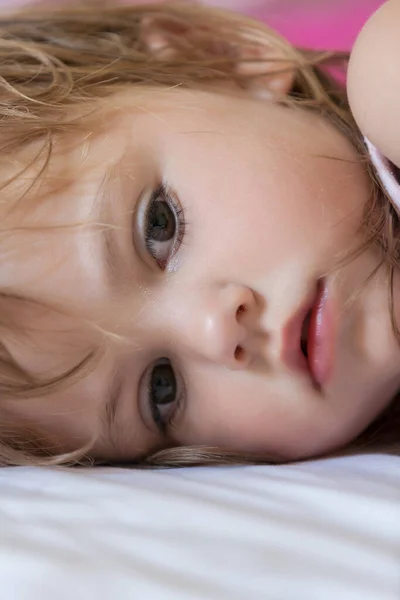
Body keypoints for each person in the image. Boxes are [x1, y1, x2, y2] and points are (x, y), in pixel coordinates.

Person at [0, 0, 398, 468]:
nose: (213, 332)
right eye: (161, 390)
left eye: (159, 227)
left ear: (218, 59)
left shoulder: (386, 72)